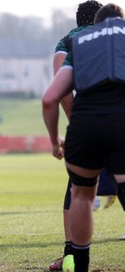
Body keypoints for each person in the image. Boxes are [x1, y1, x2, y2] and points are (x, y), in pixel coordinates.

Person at [42, 3, 125, 271]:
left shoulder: (77, 43)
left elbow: (49, 98)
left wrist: (55, 141)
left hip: (84, 124)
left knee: (81, 194)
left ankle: (79, 264)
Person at [48, 1, 103, 270]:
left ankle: (71, 256)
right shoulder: (115, 36)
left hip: (85, 122)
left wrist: (74, 121)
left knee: (78, 190)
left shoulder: (67, 40)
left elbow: (59, 85)